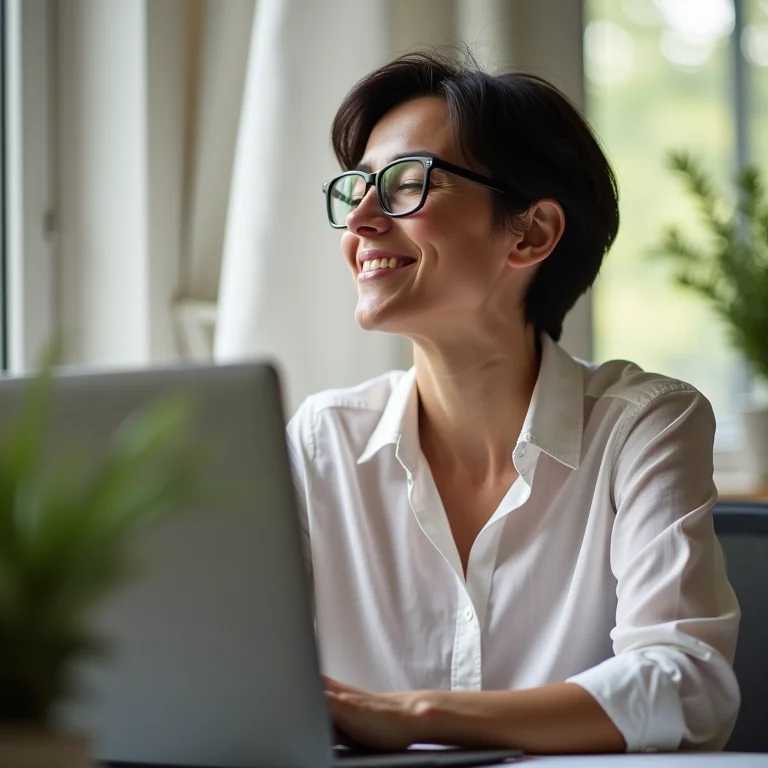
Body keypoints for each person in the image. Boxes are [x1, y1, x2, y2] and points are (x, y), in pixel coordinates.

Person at [286, 51, 740, 755]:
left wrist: (417, 716)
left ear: (531, 233)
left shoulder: (644, 424)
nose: (362, 221)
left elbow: (685, 684)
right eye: (359, 189)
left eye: (406, 184)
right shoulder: (322, 441)